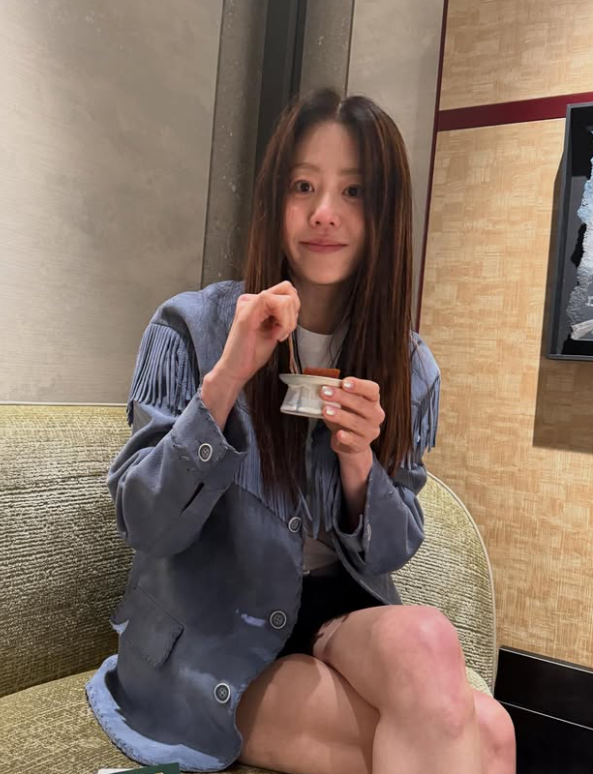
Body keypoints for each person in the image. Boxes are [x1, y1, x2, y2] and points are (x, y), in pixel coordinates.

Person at [86, 88, 515, 774]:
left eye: (353, 191)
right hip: (212, 632)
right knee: (486, 737)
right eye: (303, 186)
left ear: (385, 213)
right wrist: (225, 381)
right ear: (274, 200)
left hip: (336, 615)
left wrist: (359, 465)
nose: (324, 213)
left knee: (431, 637)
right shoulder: (192, 328)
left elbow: (391, 552)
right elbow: (145, 523)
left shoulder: (407, 365)